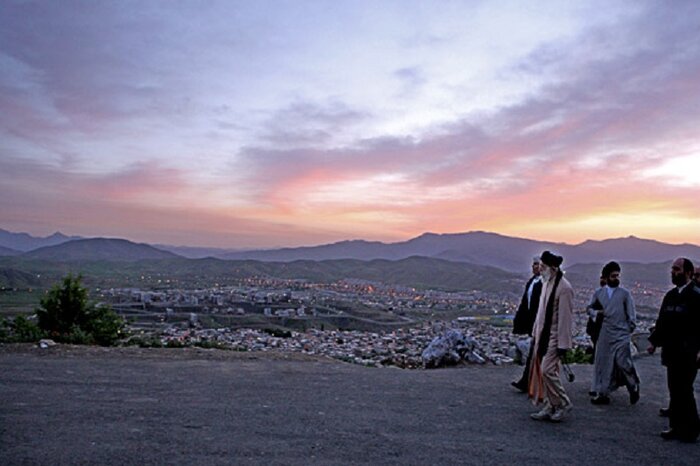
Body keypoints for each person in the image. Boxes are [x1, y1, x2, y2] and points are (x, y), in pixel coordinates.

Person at [648, 258, 700, 443]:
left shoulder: (696, 296)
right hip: (672, 352)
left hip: (688, 353)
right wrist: (654, 342)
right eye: (672, 269)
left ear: (687, 273)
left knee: (684, 389)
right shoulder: (670, 296)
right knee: (674, 389)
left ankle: (691, 429)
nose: (673, 272)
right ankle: (676, 426)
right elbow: (663, 322)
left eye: (677, 269)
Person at [528, 251, 574, 422]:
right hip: (543, 335)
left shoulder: (564, 288)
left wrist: (563, 344)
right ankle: (549, 405)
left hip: (555, 336)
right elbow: (541, 313)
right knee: (544, 371)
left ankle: (563, 402)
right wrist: (535, 332)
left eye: (543, 267)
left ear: (552, 268)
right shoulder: (547, 283)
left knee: (547, 370)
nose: (539, 269)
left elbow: (565, 318)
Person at [588, 261, 640, 405]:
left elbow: (631, 314)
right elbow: (589, 308)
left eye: (617, 275)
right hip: (605, 333)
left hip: (621, 333)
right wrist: (597, 313)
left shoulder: (624, 294)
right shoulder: (599, 293)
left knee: (624, 362)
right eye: (613, 276)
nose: (616, 278)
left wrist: (629, 328)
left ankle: (633, 386)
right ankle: (603, 393)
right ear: (606, 276)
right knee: (603, 363)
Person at [511, 256, 543, 392]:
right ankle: (528, 382)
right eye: (533, 264)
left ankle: (528, 382)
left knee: (536, 354)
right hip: (533, 324)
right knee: (534, 353)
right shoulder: (532, 282)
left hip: (540, 324)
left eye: (536, 264)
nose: (533, 267)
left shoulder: (544, 283)